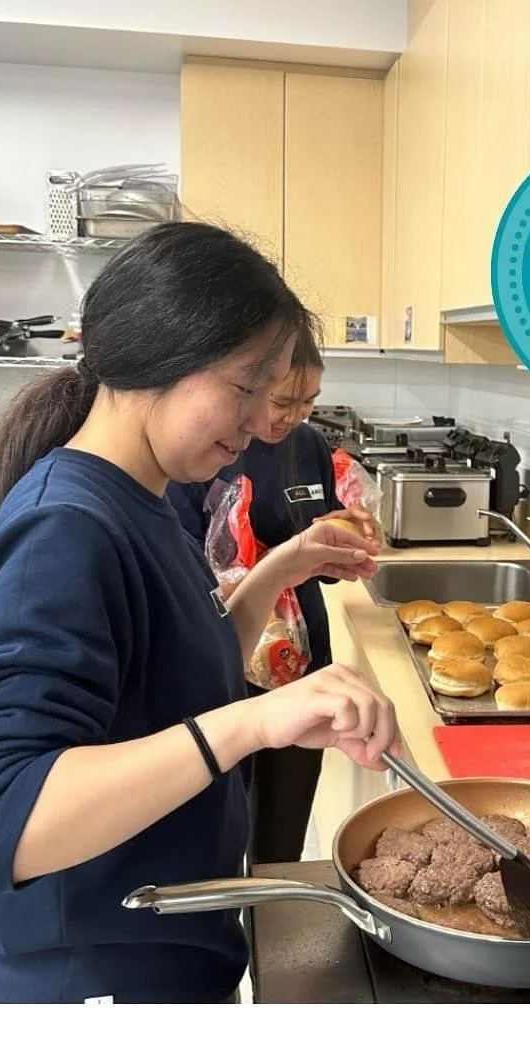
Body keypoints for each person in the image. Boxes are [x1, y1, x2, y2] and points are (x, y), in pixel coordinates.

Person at [0, 221, 399, 1005]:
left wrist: (282, 568)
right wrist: (253, 723)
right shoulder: (65, 529)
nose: (260, 419)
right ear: (158, 357)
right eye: (247, 387)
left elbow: (183, 669)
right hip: (94, 985)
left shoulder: (144, 498)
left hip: (167, 952)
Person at [166, 329, 376, 865]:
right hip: (224, 655)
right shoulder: (203, 452)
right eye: (283, 400)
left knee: (284, 820)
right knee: (218, 815)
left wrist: (345, 539)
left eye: (309, 402)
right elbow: (184, 575)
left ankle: (272, 905)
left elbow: (318, 555)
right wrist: (268, 567)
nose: (293, 417)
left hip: (301, 659)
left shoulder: (307, 446)